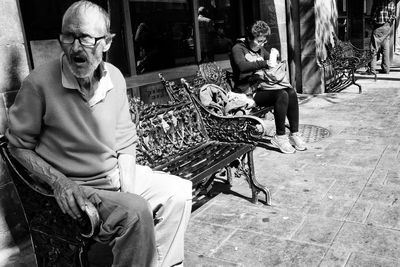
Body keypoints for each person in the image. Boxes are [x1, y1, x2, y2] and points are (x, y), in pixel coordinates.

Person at [5, 1, 192, 266]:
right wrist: (60, 182)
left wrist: (128, 191)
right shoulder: (39, 83)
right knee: (136, 213)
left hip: (114, 176)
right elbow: (17, 146)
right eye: (68, 36)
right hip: (77, 187)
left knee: (178, 192)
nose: (76, 47)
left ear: (107, 42)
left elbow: (125, 141)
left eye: (86, 38)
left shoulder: (114, 77)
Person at [230, 20, 306, 154]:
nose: (261, 44)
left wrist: (275, 59)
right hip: (247, 92)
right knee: (281, 95)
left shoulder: (260, 48)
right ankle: (280, 137)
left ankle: (294, 134)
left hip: (262, 87)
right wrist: (265, 63)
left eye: (264, 41)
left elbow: (271, 61)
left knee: (290, 92)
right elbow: (242, 67)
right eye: (259, 41)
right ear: (249, 38)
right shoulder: (238, 48)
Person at [368, 0, 396, 74]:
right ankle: (386, 69)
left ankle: (372, 69)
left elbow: (373, 15)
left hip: (378, 26)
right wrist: (389, 23)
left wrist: (370, 23)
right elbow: (393, 16)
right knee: (385, 48)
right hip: (387, 26)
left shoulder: (377, 1)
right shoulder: (391, 2)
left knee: (373, 48)